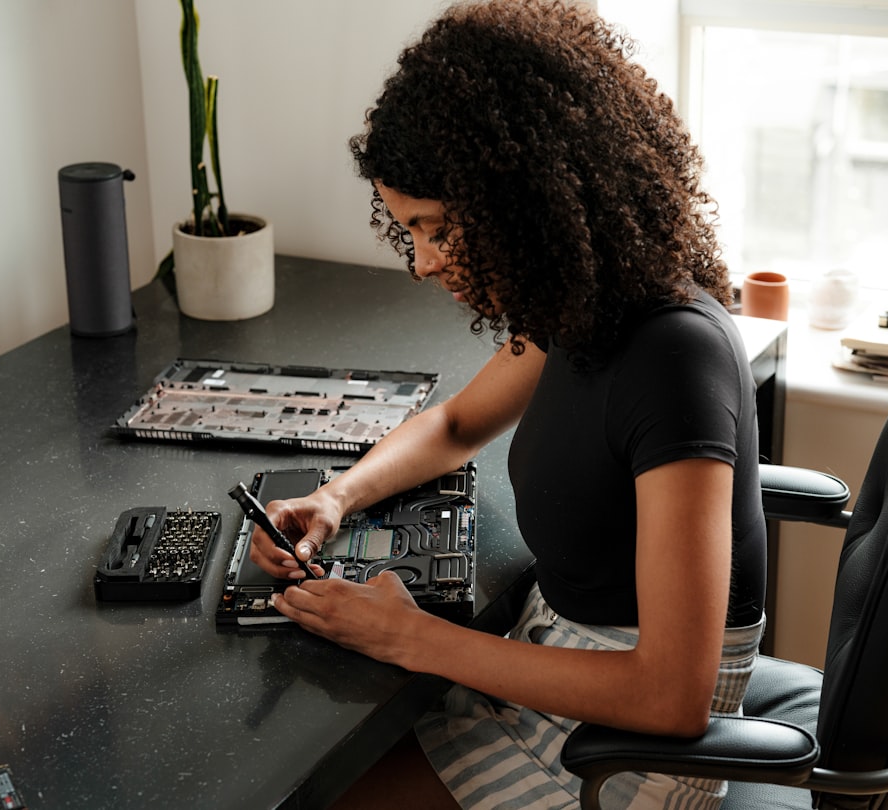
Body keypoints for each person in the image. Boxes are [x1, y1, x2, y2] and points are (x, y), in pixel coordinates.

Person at [249, 1, 767, 807]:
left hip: (623, 756)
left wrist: (413, 636)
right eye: (407, 231)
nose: (419, 263)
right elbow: (455, 425)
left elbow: (671, 695)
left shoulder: (672, 356)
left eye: (436, 229)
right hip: (549, 675)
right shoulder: (576, 304)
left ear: (520, 204)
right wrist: (333, 497)